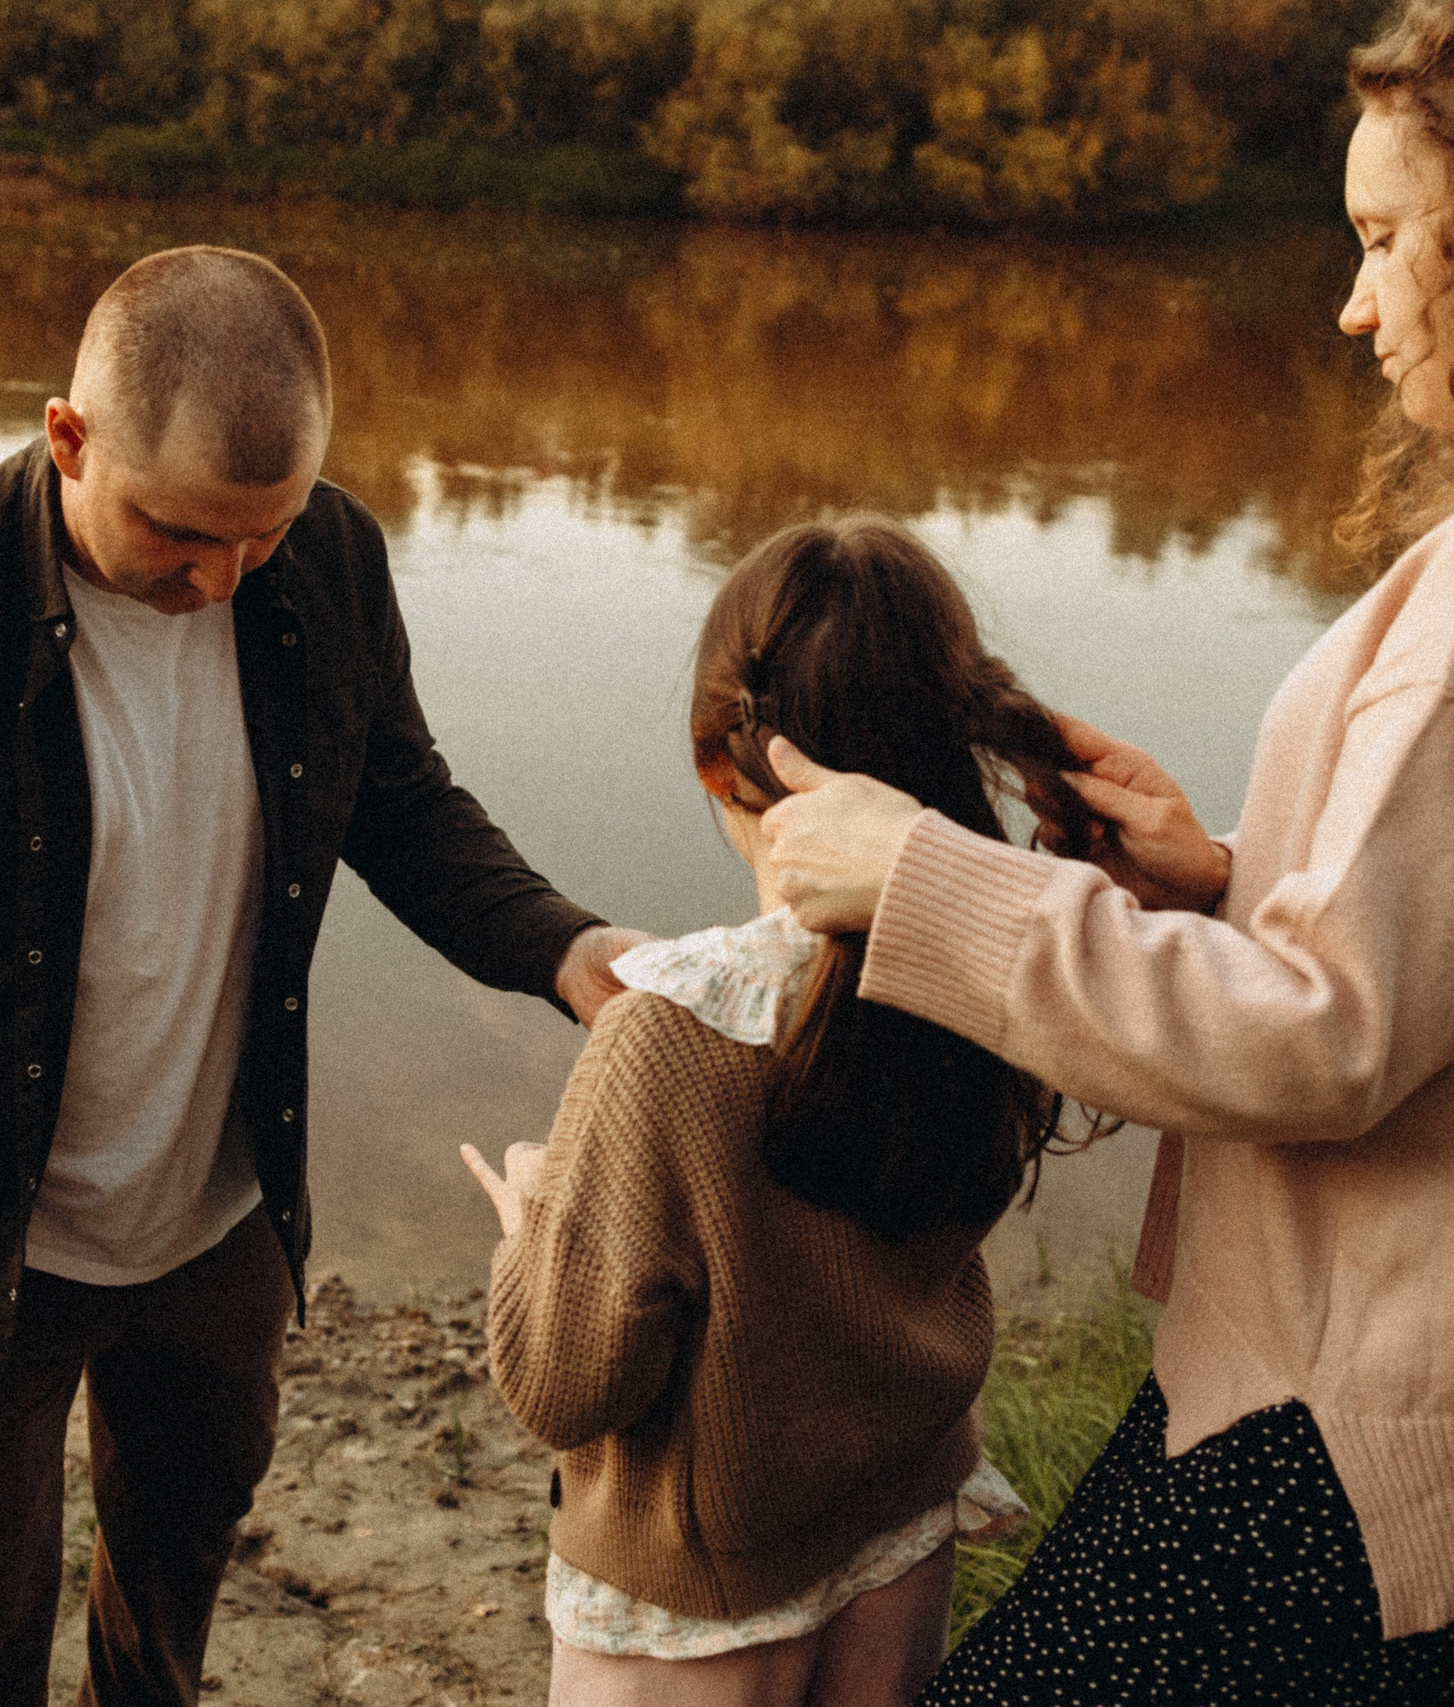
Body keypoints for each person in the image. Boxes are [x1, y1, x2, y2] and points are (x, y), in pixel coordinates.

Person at [757, 2, 1454, 1700]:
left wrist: (922, 882)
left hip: (1362, 1465)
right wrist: (1231, 878)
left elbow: (1324, 1038)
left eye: (1386, 239)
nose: (1353, 298)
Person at [0, 244, 645, 1707]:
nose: (221, 576)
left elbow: (399, 801)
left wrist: (565, 945)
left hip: (218, 1218)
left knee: (169, 1603)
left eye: (262, 536)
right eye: (179, 534)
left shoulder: (331, 557)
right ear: (66, 439)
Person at [462, 519, 1096, 1706]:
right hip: (905, 1534)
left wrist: (529, 1223)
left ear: (718, 760)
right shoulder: (1005, 961)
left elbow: (561, 1381)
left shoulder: (666, 1040)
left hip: (692, 1610)